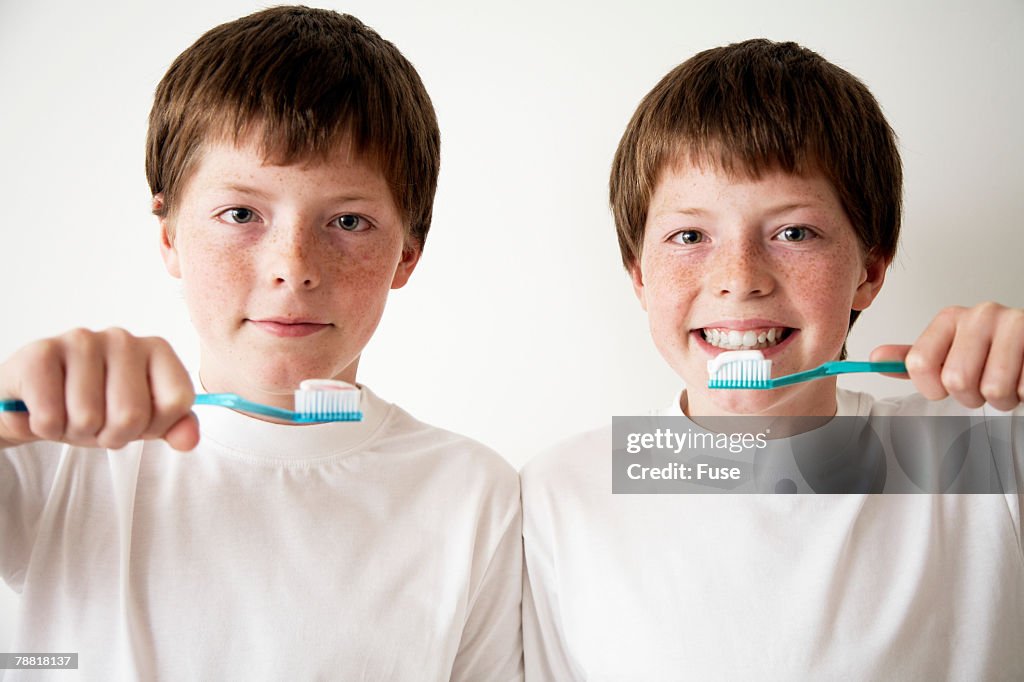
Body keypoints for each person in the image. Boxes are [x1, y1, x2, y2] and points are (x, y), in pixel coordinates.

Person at [0, 7, 521, 679]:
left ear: (407, 255)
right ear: (170, 238)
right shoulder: (55, 451)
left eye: (349, 221)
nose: (292, 264)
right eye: (241, 214)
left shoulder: (472, 494)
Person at [522, 39, 1023, 680]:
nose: (739, 279)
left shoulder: (984, 454)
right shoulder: (563, 492)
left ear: (869, 270)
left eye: (794, 232)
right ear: (639, 277)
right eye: (689, 236)